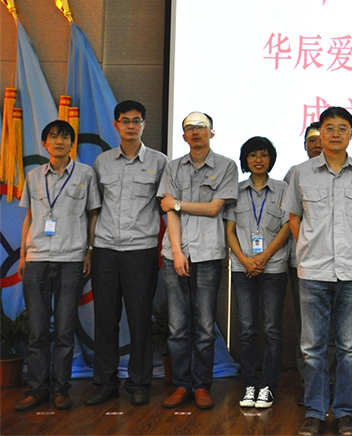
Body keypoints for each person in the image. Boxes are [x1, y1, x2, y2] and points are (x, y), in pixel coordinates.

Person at [283, 107, 352, 436]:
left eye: (343, 128)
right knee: (312, 348)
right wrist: (309, 247)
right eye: (330, 128)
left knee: (349, 349)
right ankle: (314, 411)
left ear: (351, 133)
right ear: (321, 132)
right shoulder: (301, 172)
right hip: (313, 272)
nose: (336, 134)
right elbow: (294, 218)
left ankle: (344, 412)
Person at [15, 120, 101, 412]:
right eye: (54, 137)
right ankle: (37, 389)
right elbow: (29, 217)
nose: (60, 141)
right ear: (44, 143)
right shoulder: (33, 176)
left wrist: (89, 251)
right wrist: (23, 255)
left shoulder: (85, 174)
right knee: (37, 331)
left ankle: (61, 389)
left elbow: (93, 215)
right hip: (37, 259)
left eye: (65, 137)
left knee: (64, 330)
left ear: (72, 144)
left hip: (71, 259)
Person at [86, 100, 167, 407]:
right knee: (105, 320)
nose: (131, 126)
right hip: (106, 250)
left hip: (140, 251)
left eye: (136, 120)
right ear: (115, 125)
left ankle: (139, 383)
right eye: (125, 120)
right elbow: (95, 209)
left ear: (144, 124)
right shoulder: (102, 162)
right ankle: (105, 383)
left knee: (139, 319)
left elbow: (165, 206)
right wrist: (90, 248)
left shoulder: (159, 161)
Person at [157, 111, 238, 410]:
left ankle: (202, 386)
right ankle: (181, 384)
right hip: (175, 254)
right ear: (183, 136)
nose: (195, 132)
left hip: (208, 253)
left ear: (211, 133)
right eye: (189, 128)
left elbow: (214, 209)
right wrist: (178, 252)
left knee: (204, 326)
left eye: (201, 127)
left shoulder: (227, 166)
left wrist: (178, 203)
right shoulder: (173, 167)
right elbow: (169, 212)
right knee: (177, 327)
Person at [224, 136, 291, 409]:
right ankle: (250, 384)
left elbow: (288, 228)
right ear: (245, 160)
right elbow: (229, 230)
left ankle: (269, 386)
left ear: (270, 159)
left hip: (273, 267)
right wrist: (245, 260)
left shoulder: (283, 189)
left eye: (263, 155)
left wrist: (262, 258)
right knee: (246, 329)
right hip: (243, 269)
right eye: (253, 155)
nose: (258, 160)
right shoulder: (236, 190)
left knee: (272, 329)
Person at [284, 121, 323, 406]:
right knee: (306, 329)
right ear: (305, 145)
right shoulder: (295, 173)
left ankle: (330, 384)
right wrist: (306, 248)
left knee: (336, 330)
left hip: (339, 264)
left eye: (322, 138)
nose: (318, 144)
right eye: (312, 140)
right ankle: (308, 385)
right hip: (304, 262)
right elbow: (291, 218)